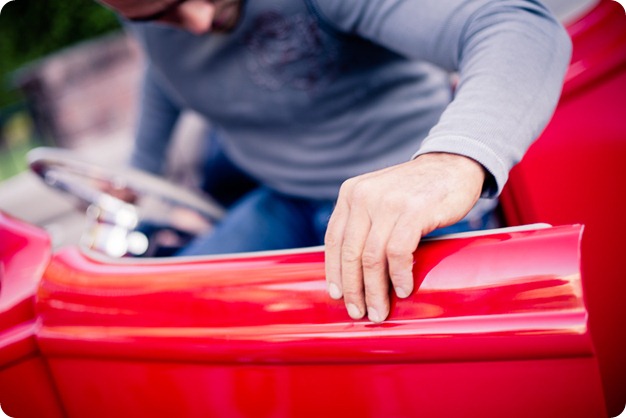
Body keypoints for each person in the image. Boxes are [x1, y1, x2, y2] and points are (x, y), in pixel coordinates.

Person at [96, 0, 572, 323]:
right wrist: (139, 171)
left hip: (404, 199)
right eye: (162, 16)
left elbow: (515, 25)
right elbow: (164, 75)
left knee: (432, 350)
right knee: (163, 311)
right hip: (283, 197)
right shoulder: (155, 18)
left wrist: (452, 160)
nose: (198, 23)